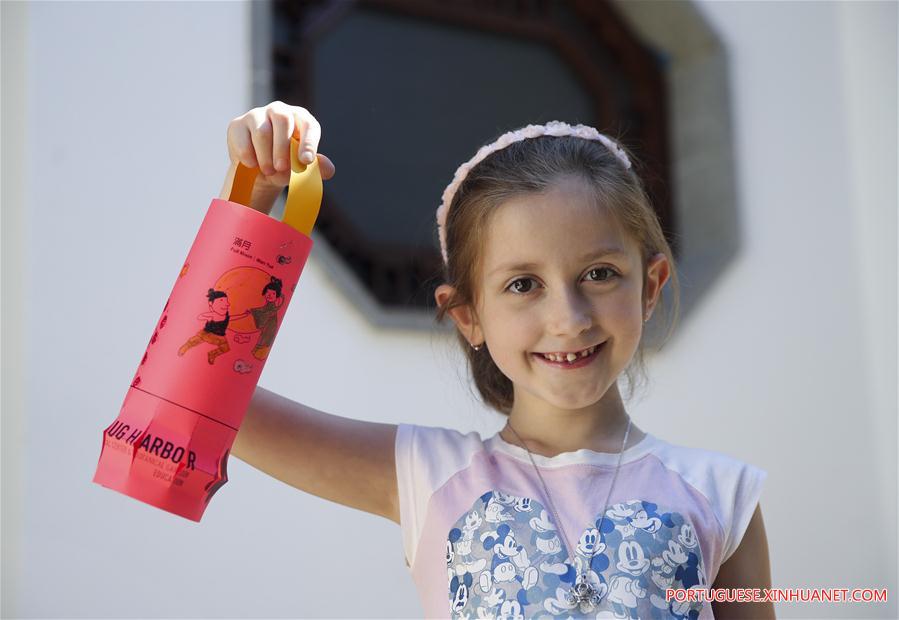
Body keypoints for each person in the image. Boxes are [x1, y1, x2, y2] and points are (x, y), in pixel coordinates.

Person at [227, 101, 773, 619]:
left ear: (650, 286)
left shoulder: (723, 496)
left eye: (600, 274)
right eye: (522, 284)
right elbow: (192, 395)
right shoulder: (426, 478)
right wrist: (254, 196)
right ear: (468, 316)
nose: (569, 318)